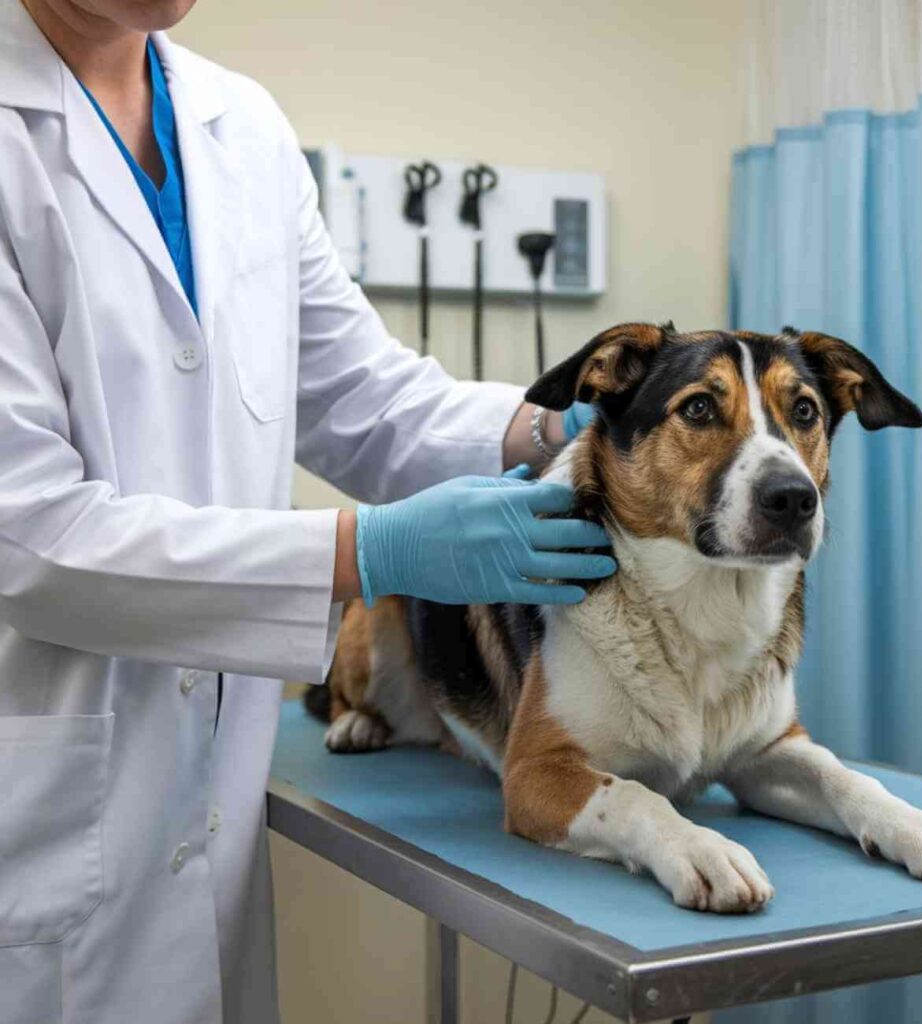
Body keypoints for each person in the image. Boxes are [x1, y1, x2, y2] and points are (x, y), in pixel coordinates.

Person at [0, 1, 615, 1021]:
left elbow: (358, 394)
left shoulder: (239, 126)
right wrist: (366, 549)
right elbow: (32, 537)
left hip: (205, 827)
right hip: (42, 824)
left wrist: (547, 428)